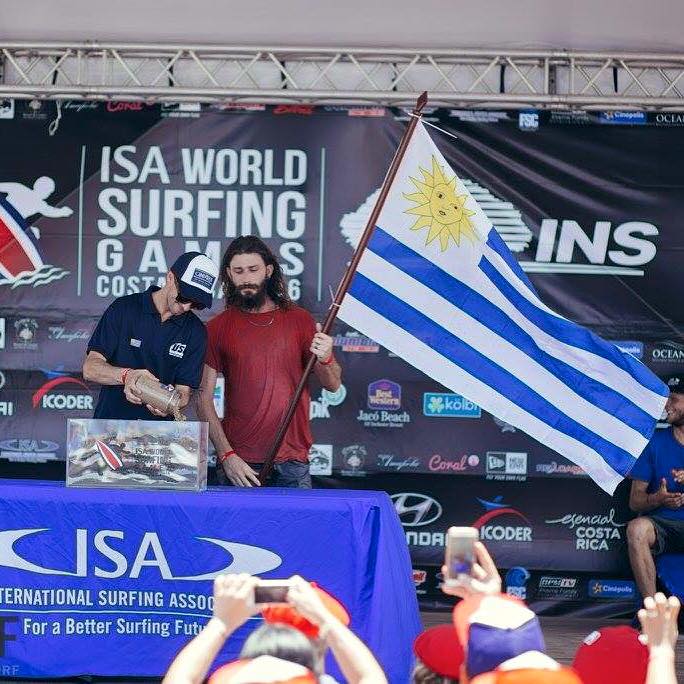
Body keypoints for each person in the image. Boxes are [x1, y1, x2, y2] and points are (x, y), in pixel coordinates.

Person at [196, 236, 342, 488]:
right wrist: (226, 455)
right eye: (238, 271)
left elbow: (333, 385)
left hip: (293, 461)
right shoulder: (218, 327)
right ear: (229, 274)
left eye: (253, 269)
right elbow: (202, 397)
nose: (246, 278)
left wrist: (326, 357)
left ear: (269, 270)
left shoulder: (300, 320)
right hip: (240, 462)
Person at [162, 574, 387, 684]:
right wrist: (325, 619)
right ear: (320, 647)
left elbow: (181, 679)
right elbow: (368, 678)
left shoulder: (229, 678)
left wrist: (221, 623)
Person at [83, 252, 218, 420]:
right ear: (170, 277)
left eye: (196, 304)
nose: (186, 307)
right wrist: (127, 376)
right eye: (184, 298)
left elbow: (184, 391)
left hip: (160, 433)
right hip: (110, 426)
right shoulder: (124, 309)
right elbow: (90, 369)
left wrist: (171, 404)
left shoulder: (196, 332)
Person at [627, 374, 684, 599]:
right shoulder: (655, 442)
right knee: (637, 529)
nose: (667, 405)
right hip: (665, 526)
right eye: (665, 399)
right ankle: (652, 609)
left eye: (673, 399)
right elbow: (635, 502)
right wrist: (657, 499)